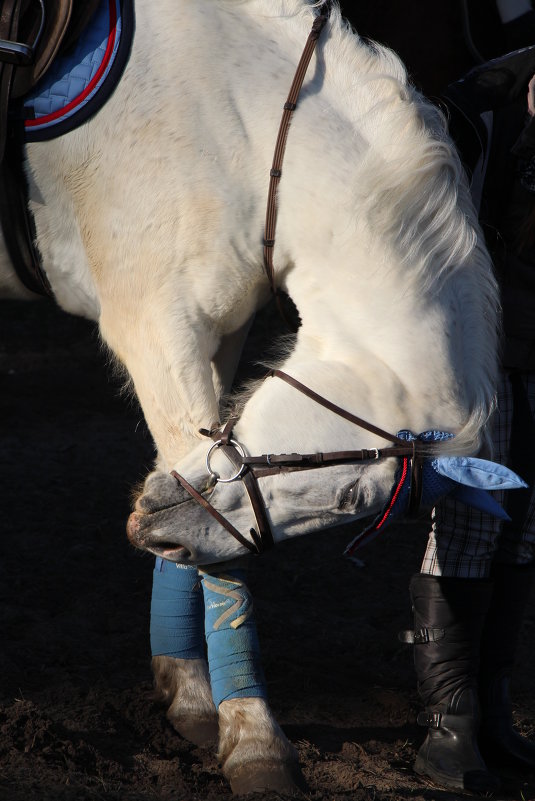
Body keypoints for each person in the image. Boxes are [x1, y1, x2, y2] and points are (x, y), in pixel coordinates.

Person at [405, 48, 535, 794]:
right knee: (467, 523)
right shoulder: (472, 111)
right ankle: (447, 721)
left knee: (523, 524)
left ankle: (490, 703)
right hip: (473, 354)